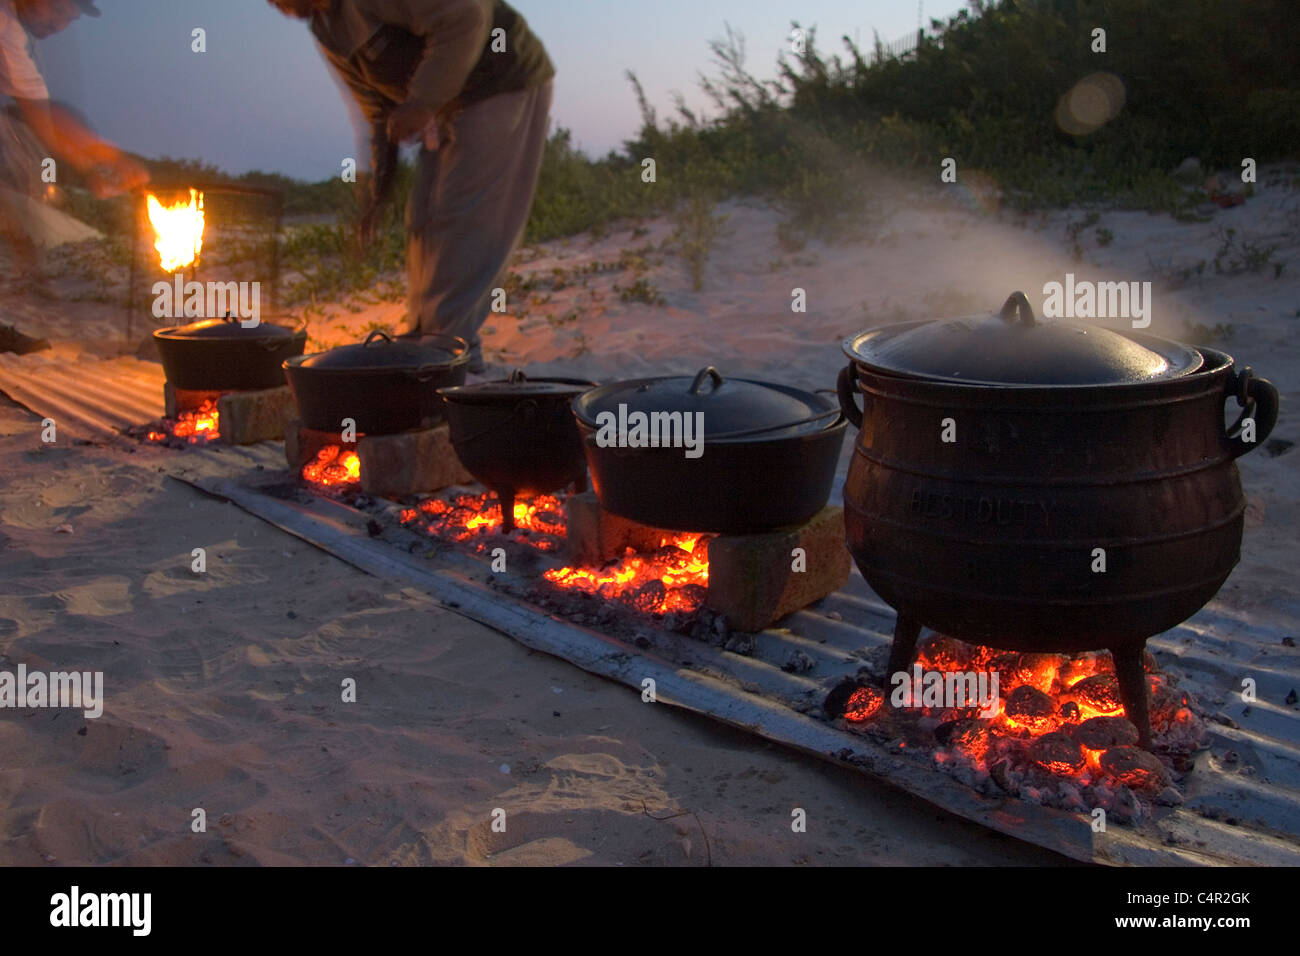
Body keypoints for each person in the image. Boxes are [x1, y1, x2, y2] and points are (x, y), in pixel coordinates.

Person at [269, 0, 554, 373]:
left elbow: (467, 16)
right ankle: (436, 342)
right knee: (422, 218)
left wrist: (422, 101)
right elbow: (376, 111)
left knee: (463, 218)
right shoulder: (328, 29)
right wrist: (377, 196)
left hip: (502, 79)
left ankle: (441, 355)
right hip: (447, 105)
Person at [0, 0, 148, 354]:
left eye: (69, 17)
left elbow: (43, 112)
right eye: (59, 10)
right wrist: (93, 165)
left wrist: (107, 157)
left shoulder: (15, 34)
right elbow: (40, 122)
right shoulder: (4, 30)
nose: (61, 24)